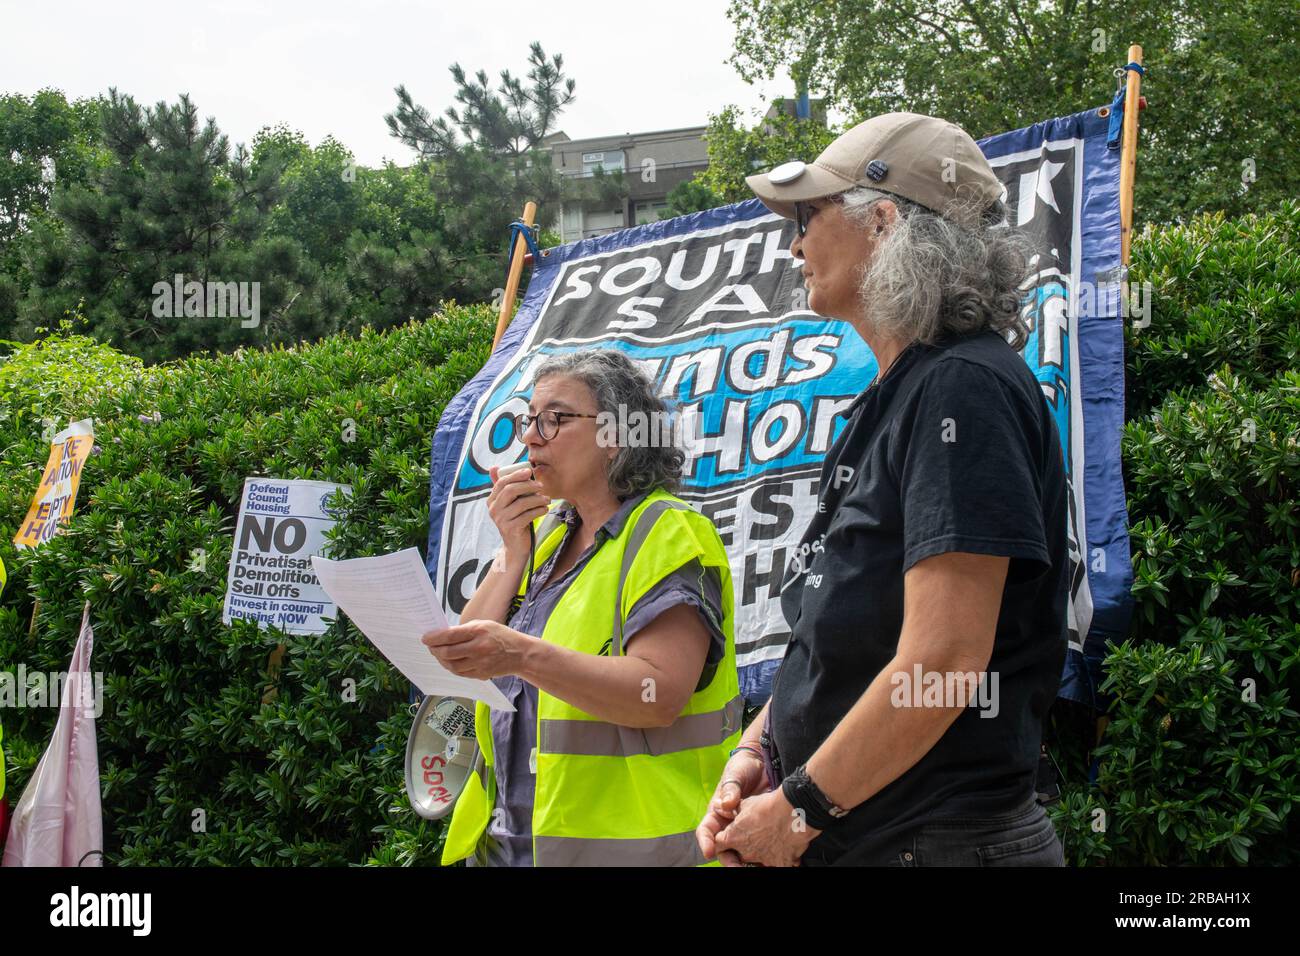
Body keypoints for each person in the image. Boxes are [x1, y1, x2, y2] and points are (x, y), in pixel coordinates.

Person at [696, 112, 1070, 867]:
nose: (794, 243)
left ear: (885, 221)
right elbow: (843, 630)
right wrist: (759, 752)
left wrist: (799, 810)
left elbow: (942, 663)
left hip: (934, 845)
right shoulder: (908, 391)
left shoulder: (963, 388)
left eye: (807, 215)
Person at [425, 349, 743, 866]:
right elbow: (466, 663)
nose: (530, 436)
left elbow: (657, 695)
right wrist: (512, 554)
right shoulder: (546, 536)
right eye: (529, 420)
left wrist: (522, 655)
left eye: (555, 419)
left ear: (616, 437)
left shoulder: (669, 532)